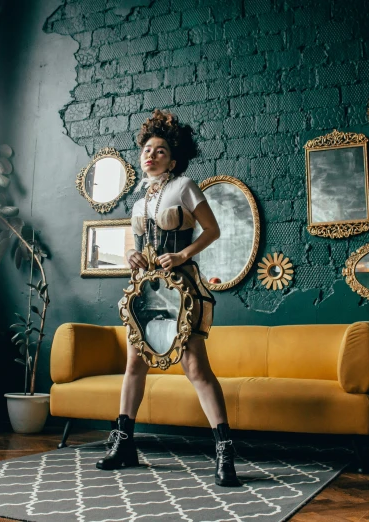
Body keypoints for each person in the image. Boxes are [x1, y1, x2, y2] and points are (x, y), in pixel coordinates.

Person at [96, 109, 240, 487]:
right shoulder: (138, 202)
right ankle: (125, 444)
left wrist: (182, 255)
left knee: (195, 367)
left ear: (173, 160)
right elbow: (138, 245)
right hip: (146, 290)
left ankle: (225, 452)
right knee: (134, 365)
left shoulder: (185, 186)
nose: (151, 154)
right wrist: (133, 257)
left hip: (182, 288)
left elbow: (212, 230)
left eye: (160, 150)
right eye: (147, 149)